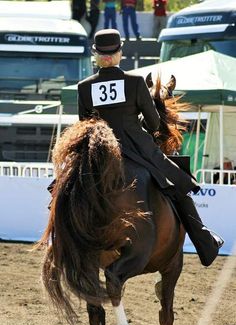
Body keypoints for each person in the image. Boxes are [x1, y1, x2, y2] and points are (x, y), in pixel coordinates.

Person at [77, 28, 224, 266]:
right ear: (119, 54)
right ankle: (204, 241)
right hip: (139, 149)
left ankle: (57, 239)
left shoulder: (84, 87)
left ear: (96, 55)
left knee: (64, 190)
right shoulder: (135, 83)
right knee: (178, 184)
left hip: (100, 153)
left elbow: (84, 125)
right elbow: (155, 123)